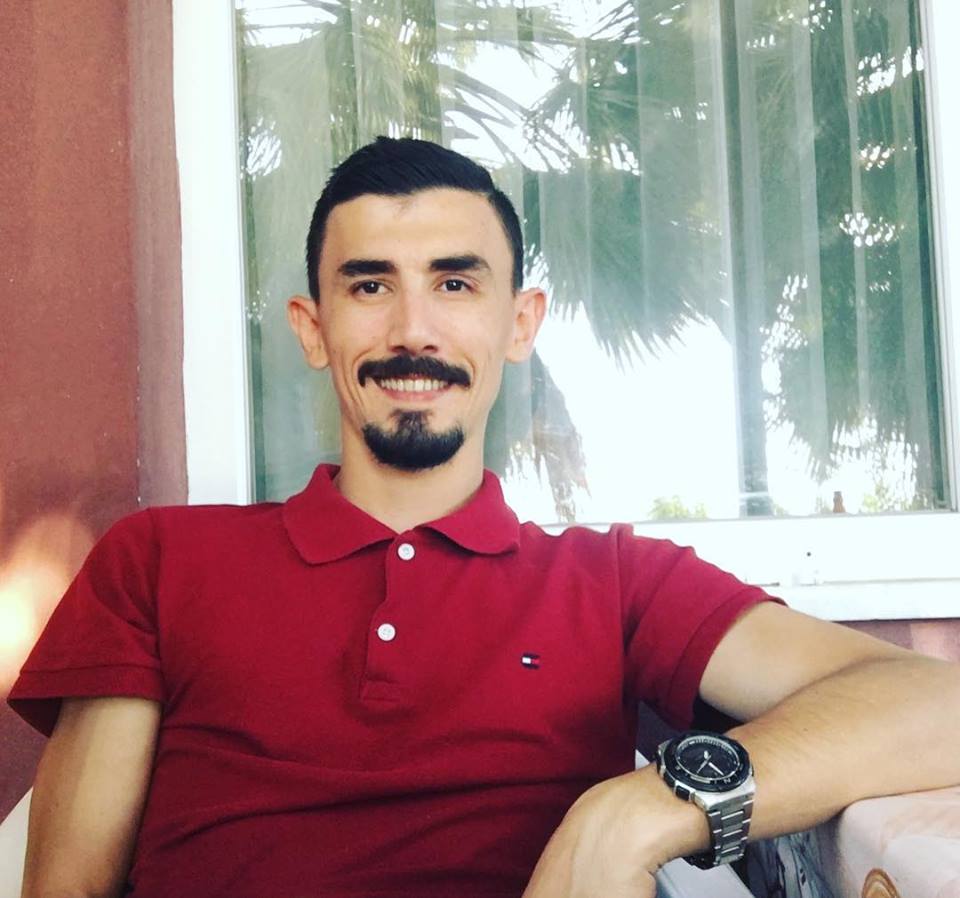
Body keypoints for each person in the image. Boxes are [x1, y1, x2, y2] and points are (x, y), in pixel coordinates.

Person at [8, 137, 960, 898]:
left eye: (455, 284)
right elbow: (67, 888)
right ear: (313, 329)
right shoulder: (161, 559)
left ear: (519, 324)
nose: (412, 330)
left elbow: (937, 705)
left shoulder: (614, 582)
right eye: (370, 285)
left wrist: (633, 814)